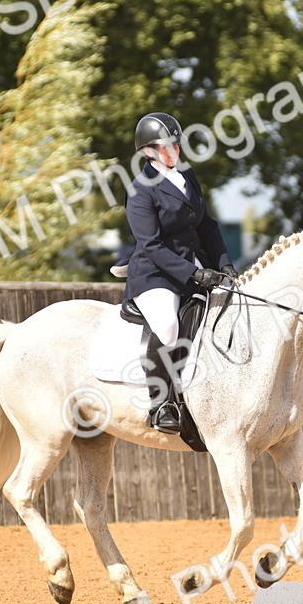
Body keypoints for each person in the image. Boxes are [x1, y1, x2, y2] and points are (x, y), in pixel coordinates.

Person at [121, 112, 237, 434]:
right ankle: (161, 404)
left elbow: (207, 226)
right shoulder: (139, 191)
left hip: (195, 265)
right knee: (169, 325)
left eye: (177, 143)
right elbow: (152, 245)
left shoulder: (188, 176)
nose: (174, 151)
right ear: (148, 151)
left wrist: (224, 263)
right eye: (165, 146)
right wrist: (194, 275)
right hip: (155, 274)